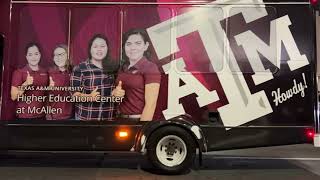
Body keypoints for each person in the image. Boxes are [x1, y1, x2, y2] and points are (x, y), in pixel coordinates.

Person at [71, 34, 124, 121]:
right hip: (86, 119)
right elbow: (74, 95)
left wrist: (119, 94)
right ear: (90, 49)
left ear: (107, 48)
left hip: (110, 119)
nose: (99, 49)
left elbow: (121, 92)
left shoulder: (115, 67)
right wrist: (88, 97)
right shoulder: (80, 68)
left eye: (102, 46)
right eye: (95, 46)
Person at [114, 28, 161, 121]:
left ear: (146, 46)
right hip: (120, 119)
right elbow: (119, 94)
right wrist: (114, 94)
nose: (132, 48)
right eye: (128, 44)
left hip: (137, 120)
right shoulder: (123, 67)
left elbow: (150, 105)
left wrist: (141, 128)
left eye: (138, 43)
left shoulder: (150, 68)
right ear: (124, 47)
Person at [11, 43, 48, 120]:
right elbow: (14, 96)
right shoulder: (19, 72)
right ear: (26, 57)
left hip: (41, 116)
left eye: (36, 54)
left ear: (40, 55)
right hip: (24, 117)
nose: (33, 57)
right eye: (30, 54)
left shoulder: (45, 72)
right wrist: (26, 84)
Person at [47, 44, 73, 120]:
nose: (59, 57)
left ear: (68, 57)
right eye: (56, 55)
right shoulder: (49, 73)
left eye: (62, 55)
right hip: (53, 117)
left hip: (72, 117)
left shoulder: (74, 72)